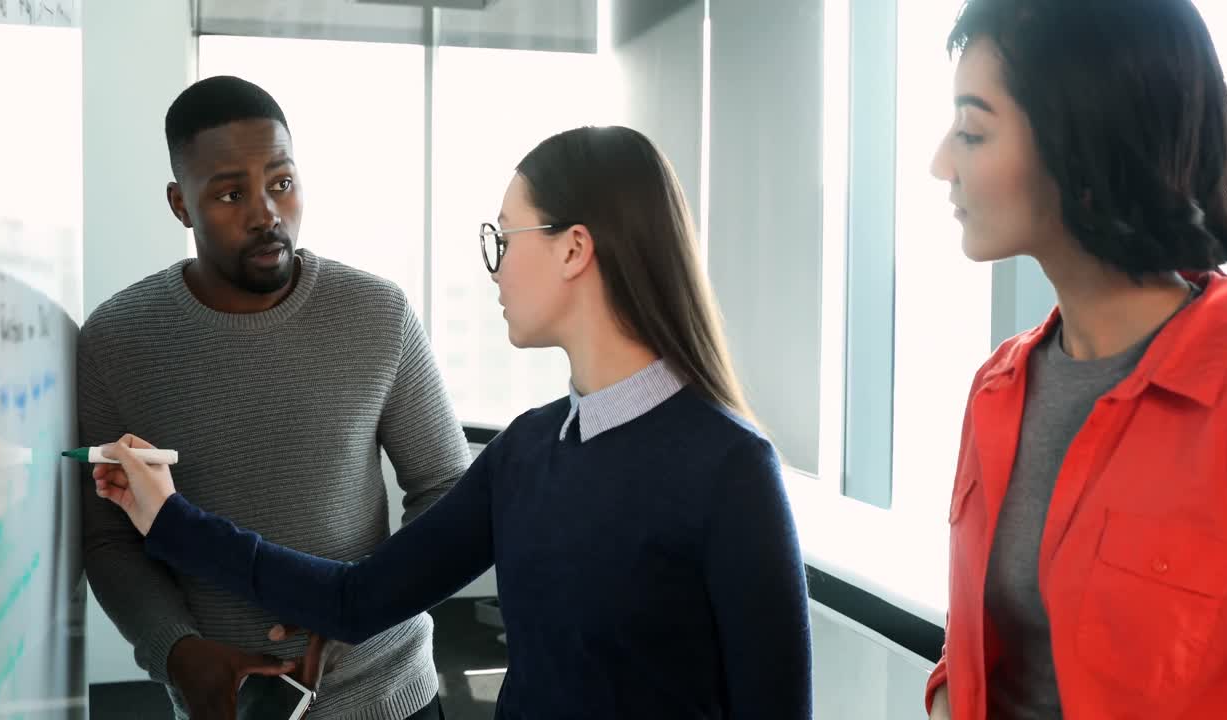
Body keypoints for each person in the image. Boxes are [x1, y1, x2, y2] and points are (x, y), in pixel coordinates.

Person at [91, 125, 814, 718]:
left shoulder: (729, 469)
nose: (494, 270)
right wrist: (170, 519)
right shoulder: (527, 450)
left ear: (573, 249)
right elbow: (357, 600)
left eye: (504, 239)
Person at [77, 76, 469, 720]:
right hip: (226, 703)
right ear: (181, 204)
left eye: (281, 183)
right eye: (231, 193)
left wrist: (360, 605)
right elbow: (108, 540)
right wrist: (176, 653)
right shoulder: (116, 341)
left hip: (391, 695)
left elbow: (446, 488)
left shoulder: (377, 312)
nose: (266, 213)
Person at [923, 1, 1227, 718]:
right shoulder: (997, 390)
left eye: (972, 131)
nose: (941, 163)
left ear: (1084, 145)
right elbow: (979, 647)